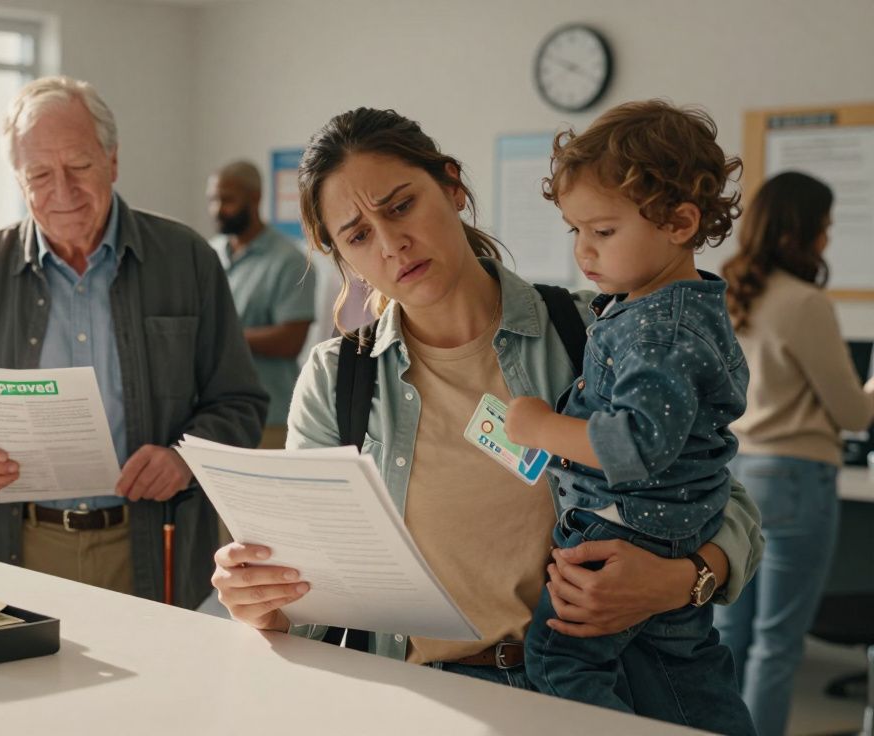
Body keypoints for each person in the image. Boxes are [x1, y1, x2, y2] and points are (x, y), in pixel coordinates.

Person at [210, 107, 764, 719]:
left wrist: (684, 579)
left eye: (400, 206)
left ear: (452, 187)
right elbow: (313, 588)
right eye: (358, 235)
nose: (392, 245)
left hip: (596, 692)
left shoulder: (590, 331)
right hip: (416, 699)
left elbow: (721, 499)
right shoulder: (336, 378)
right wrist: (262, 600)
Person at [0, 76, 266, 606]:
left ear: (112, 161)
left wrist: (185, 459)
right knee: (20, 689)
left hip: (151, 546)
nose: (64, 193)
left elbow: (241, 403)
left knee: (164, 690)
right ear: (18, 178)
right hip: (16, 546)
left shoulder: (186, 260)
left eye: (79, 166)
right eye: (40, 175)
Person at [501, 101, 752, 732]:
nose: (584, 251)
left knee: (560, 664)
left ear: (679, 222)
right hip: (676, 528)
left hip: (622, 525)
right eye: (576, 231)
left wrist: (537, 426)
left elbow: (638, 444)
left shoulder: (659, 329)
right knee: (684, 674)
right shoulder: (680, 308)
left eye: (603, 232)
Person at [715, 171, 874, 736]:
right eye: (825, 226)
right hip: (795, 480)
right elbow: (853, 413)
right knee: (777, 645)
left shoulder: (727, 294)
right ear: (803, 230)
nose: (828, 239)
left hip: (734, 475)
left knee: (729, 636)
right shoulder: (805, 303)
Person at [207, 160, 316, 449]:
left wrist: (221, 336)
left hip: (270, 418)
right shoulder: (210, 252)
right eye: (213, 199)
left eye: (227, 199)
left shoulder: (290, 261)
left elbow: (291, 340)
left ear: (254, 198)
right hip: (215, 415)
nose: (218, 208)